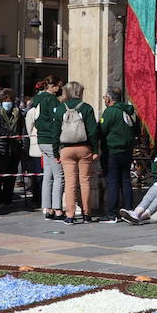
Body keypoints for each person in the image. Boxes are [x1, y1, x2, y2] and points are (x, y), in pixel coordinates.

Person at [51, 80, 98, 224]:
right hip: (84, 148)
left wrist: (56, 153)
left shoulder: (60, 109)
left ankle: (70, 215)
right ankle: (87, 214)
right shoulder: (86, 108)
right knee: (85, 181)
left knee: (70, 183)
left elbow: (55, 133)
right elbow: (93, 131)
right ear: (80, 93)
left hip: (66, 149)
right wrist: (95, 150)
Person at [27, 77, 65, 219]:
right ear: (53, 86)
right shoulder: (51, 100)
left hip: (41, 139)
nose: (60, 89)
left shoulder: (38, 99)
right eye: (59, 86)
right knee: (58, 176)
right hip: (50, 139)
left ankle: (47, 207)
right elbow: (56, 121)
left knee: (47, 176)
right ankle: (57, 208)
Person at [98, 87, 138, 222]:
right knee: (126, 180)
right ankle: (129, 209)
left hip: (113, 151)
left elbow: (102, 131)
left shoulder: (110, 112)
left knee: (113, 181)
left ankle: (112, 213)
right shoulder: (129, 110)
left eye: (104, 97)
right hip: (127, 151)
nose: (104, 99)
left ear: (109, 98)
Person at [0, 89, 23, 210]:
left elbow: (21, 129)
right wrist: (12, 134)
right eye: (5, 100)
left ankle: (8, 199)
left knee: (10, 177)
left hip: (14, 150)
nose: (8, 102)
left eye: (10, 100)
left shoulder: (18, 114)